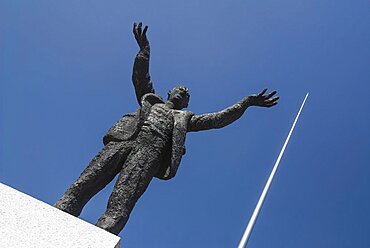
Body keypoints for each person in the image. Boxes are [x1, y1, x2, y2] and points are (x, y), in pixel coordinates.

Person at [54, 22, 279, 235]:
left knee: (122, 201)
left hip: (150, 153)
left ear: (187, 104)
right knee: (87, 181)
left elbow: (218, 119)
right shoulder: (150, 98)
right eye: (179, 90)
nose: (182, 93)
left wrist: (245, 103)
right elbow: (141, 76)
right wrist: (145, 50)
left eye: (186, 95)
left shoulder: (185, 118)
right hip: (126, 139)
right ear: (170, 92)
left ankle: (100, 237)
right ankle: (55, 216)